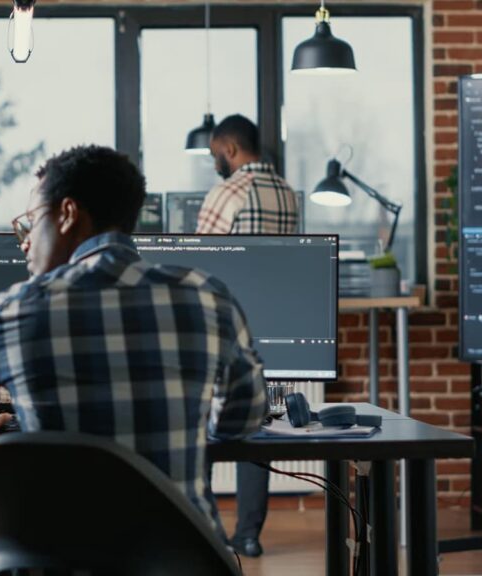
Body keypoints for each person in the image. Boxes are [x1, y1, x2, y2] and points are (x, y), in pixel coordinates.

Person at [0, 144, 267, 538]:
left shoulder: (7, 312)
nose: (24, 241)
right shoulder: (209, 297)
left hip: (58, 556)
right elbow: (242, 420)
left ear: (68, 214)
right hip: (183, 556)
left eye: (31, 222)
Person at [196, 114, 301, 558]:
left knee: (203, 423)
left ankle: (206, 532)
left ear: (231, 149)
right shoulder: (288, 194)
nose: (215, 162)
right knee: (258, 425)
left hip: (226, 328)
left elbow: (199, 263)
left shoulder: (226, 192)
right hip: (274, 325)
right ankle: (249, 534)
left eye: (216, 154)